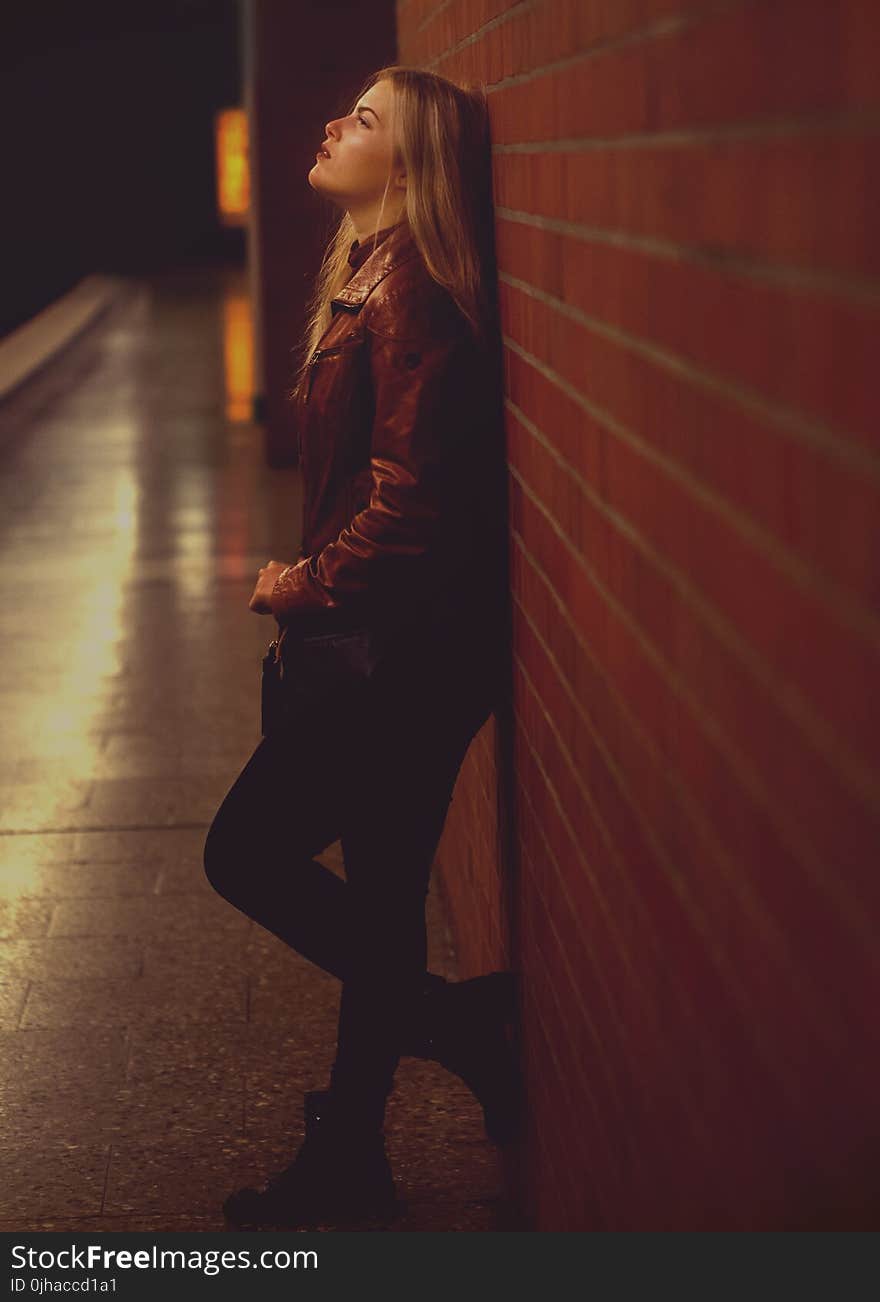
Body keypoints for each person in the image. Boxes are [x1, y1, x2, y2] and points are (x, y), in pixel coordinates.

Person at [203, 64, 521, 1230]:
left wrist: (300, 588)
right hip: (412, 650)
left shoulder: (411, 294)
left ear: (410, 166)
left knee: (242, 855)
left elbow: (412, 505)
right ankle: (356, 1156)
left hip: (399, 653)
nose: (335, 122)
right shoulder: (373, 277)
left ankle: (446, 1033)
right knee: (382, 896)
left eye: (366, 121)